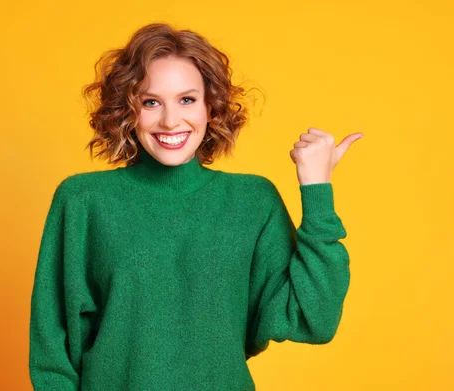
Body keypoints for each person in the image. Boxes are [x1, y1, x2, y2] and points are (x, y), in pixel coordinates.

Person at [29, 22, 363, 391]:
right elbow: (52, 349)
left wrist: (317, 189)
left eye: (187, 99)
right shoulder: (83, 201)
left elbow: (314, 319)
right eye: (150, 102)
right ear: (127, 110)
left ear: (211, 106)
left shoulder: (252, 201)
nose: (171, 120)